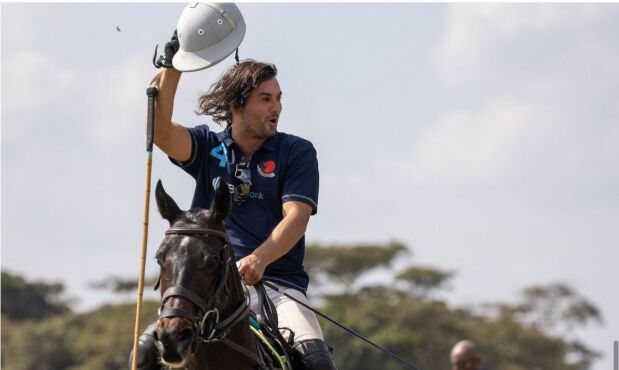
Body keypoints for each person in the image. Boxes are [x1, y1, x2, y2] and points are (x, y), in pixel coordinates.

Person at [131, 36, 337, 370]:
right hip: (206, 286)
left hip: (276, 286)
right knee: (143, 354)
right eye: (265, 99)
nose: (277, 108)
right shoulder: (206, 144)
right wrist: (173, 67)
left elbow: (296, 217)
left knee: (316, 362)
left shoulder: (296, 152)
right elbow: (162, 133)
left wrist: (259, 259)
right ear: (237, 106)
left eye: (278, 99)